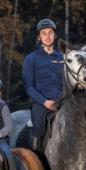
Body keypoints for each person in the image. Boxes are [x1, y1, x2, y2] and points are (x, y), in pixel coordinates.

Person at [22, 19, 64, 152]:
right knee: (38, 126)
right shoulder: (31, 59)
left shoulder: (64, 58)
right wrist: (45, 102)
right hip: (41, 104)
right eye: (44, 33)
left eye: (50, 32)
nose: (47, 36)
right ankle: (36, 161)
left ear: (55, 35)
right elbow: (28, 86)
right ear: (39, 37)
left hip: (64, 103)